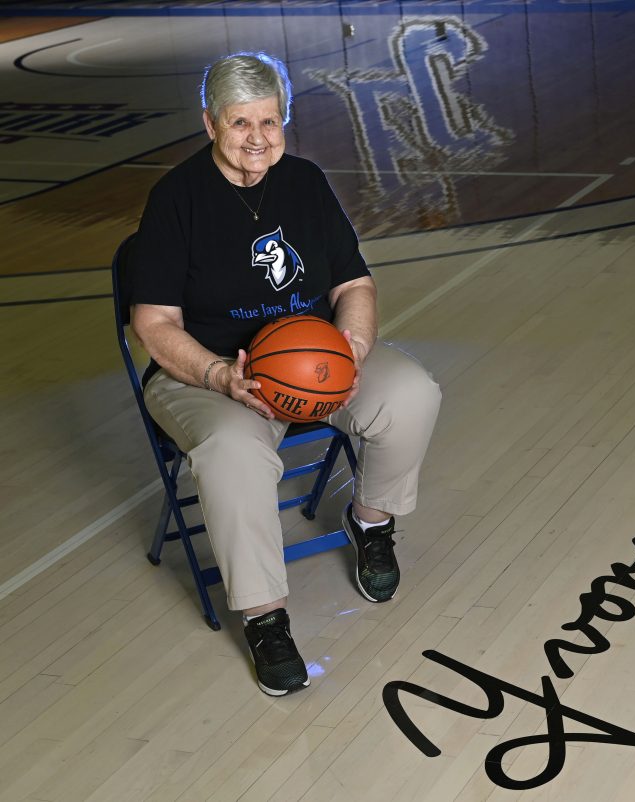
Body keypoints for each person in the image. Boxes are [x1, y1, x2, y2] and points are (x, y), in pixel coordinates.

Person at [129, 52, 441, 696]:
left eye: (270, 122)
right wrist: (219, 376)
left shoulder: (303, 182)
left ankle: (372, 519)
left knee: (412, 393)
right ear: (210, 121)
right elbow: (154, 324)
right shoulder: (176, 199)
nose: (256, 139)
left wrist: (350, 352)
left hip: (311, 359)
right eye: (240, 122)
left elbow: (354, 281)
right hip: (207, 371)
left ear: (285, 122)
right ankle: (266, 616)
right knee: (233, 456)